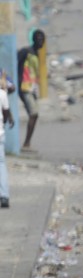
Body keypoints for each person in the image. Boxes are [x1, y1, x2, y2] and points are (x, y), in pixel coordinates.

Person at [17, 29, 45, 153]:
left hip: (31, 88)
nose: (40, 41)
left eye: (42, 39)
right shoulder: (26, 51)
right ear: (33, 39)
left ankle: (27, 143)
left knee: (34, 115)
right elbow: (15, 61)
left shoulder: (36, 53)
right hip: (24, 87)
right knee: (33, 114)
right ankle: (26, 144)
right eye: (38, 39)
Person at [0, 73, 15, 208]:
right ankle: (4, 196)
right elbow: (5, 113)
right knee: (1, 164)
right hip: (0, 134)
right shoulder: (2, 94)